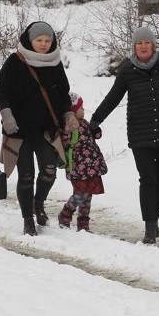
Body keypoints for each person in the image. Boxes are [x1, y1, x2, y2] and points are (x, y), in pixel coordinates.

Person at [90, 26, 159, 244]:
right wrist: (95, 120)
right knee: (148, 179)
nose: (143, 46)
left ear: (153, 45)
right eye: (139, 43)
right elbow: (113, 97)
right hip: (140, 134)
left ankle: (155, 215)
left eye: (146, 42)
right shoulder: (127, 71)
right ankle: (150, 227)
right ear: (134, 47)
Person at [0, 21, 76, 236]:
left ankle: (37, 203)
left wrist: (68, 114)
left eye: (47, 40)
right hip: (18, 131)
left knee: (49, 171)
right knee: (26, 176)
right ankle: (27, 219)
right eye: (39, 40)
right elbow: (1, 91)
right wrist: (7, 115)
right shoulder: (15, 61)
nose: (43, 44)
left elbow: (63, 94)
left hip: (47, 130)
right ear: (30, 40)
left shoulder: (55, 62)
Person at [57, 92, 107, 232]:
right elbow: (65, 142)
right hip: (78, 167)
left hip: (91, 165)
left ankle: (83, 224)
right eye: (80, 108)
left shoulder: (85, 123)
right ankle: (65, 214)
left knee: (88, 196)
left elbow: (97, 135)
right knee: (80, 194)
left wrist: (96, 129)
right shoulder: (68, 127)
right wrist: (67, 131)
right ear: (72, 111)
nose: (83, 110)